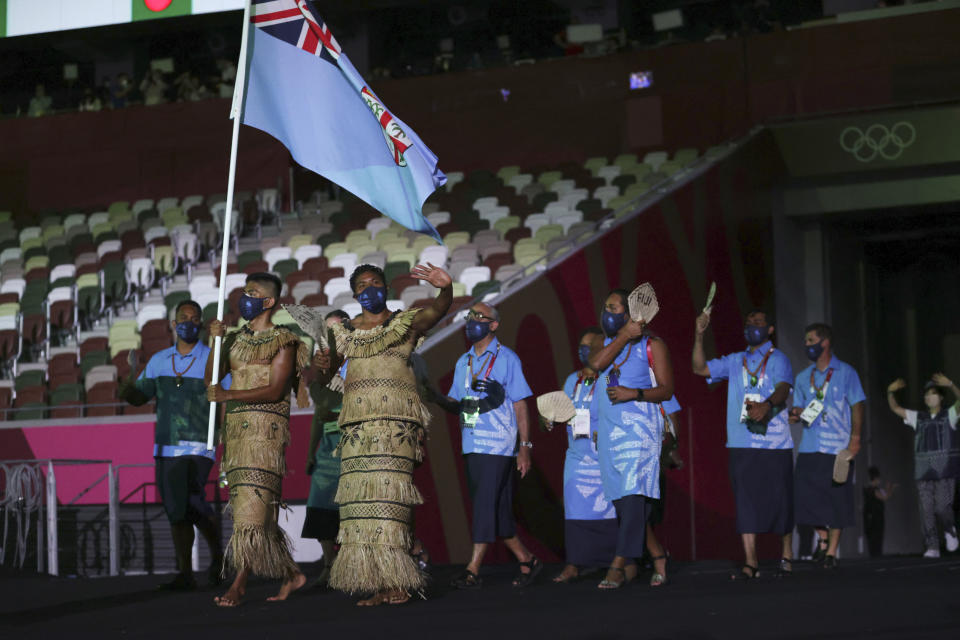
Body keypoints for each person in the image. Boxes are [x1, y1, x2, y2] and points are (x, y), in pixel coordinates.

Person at [295, 262, 452, 606]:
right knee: (362, 508)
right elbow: (325, 379)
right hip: (357, 431)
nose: (369, 289)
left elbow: (438, 310)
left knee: (390, 504)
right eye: (362, 285)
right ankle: (383, 581)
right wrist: (322, 369)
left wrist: (446, 288)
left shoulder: (405, 323)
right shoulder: (343, 333)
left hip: (395, 428)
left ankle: (400, 579)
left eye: (376, 282)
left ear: (386, 287)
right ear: (354, 294)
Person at [206, 273, 310, 606]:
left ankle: (239, 583)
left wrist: (228, 394)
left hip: (265, 435)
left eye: (252, 293)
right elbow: (211, 378)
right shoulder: (235, 338)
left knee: (252, 512)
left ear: (269, 301)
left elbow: (276, 389)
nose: (244, 298)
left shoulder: (285, 340)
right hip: (235, 434)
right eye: (244, 291)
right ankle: (292, 574)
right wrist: (215, 342)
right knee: (251, 509)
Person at [118, 300, 222, 590]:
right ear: (174, 325)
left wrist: (222, 433)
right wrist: (128, 378)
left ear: (201, 323)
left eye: (194, 318)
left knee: (191, 501)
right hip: (165, 446)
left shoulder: (213, 358)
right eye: (183, 317)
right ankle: (186, 573)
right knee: (177, 510)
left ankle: (218, 558)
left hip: (200, 445)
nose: (189, 322)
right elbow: (139, 396)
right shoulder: (158, 360)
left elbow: (225, 396)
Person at [444, 301, 541, 590]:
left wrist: (525, 446)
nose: (472, 320)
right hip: (472, 442)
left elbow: (521, 403)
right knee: (497, 510)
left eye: (479, 316)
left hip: (498, 444)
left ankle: (473, 568)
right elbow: (455, 402)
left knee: (485, 504)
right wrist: (428, 395)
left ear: (493, 325)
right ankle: (527, 560)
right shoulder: (464, 361)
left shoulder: (507, 358)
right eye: (470, 315)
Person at [692, 309, 795, 580]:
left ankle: (786, 554)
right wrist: (699, 335)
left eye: (759, 323)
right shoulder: (736, 360)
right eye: (748, 322)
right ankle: (751, 560)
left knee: (781, 500)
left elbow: (784, 388)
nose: (752, 326)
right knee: (746, 502)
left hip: (774, 443)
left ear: (770, 329)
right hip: (741, 442)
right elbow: (699, 368)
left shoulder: (778, 358)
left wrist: (767, 404)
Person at [587, 288, 674, 589]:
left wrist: (633, 394)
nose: (605, 313)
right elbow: (596, 365)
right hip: (611, 432)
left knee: (634, 495)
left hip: (640, 432)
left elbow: (666, 390)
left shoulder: (653, 345)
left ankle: (618, 563)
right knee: (624, 503)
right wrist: (623, 335)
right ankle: (657, 554)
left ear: (629, 313)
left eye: (612, 308)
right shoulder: (605, 343)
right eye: (605, 307)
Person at [789, 322, 866, 569]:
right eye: (805, 341)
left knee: (837, 499)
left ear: (825, 342)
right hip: (810, 447)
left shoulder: (846, 372)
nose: (806, 345)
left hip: (838, 447)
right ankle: (822, 540)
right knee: (805, 498)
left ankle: (832, 552)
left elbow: (857, 405)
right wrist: (795, 414)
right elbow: (800, 411)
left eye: (811, 340)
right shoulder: (803, 377)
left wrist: (855, 438)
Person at [551, 327, 617, 584]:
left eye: (589, 345)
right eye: (581, 345)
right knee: (575, 510)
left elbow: (620, 408)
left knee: (609, 511)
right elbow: (561, 410)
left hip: (605, 457)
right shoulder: (572, 380)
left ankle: (615, 562)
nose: (584, 350)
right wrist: (550, 419)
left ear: (602, 348)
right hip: (577, 458)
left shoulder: (611, 377)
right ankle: (574, 564)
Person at [886, 374, 960, 558]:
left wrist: (951, 384)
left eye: (933, 393)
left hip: (944, 471)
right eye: (927, 394)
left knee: (942, 507)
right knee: (926, 509)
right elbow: (895, 408)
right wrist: (890, 392)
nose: (929, 397)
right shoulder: (917, 417)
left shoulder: (949, 415)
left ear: (941, 397)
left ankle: (950, 528)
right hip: (923, 472)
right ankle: (932, 546)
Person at [301, 309, 350, 587]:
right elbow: (320, 414)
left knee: (351, 507)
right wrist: (310, 452)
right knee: (320, 506)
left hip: (355, 442)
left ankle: (352, 564)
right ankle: (329, 565)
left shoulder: (359, 359)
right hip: (327, 449)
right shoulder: (320, 366)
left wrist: (342, 416)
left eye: (336, 327)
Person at [863, 466, 896, 558]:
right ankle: (876, 555)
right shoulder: (873, 490)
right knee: (876, 537)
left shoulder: (868, 489)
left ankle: (874, 555)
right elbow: (885, 497)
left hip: (869, 517)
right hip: (875, 518)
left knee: (872, 538)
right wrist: (890, 489)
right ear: (876, 478)